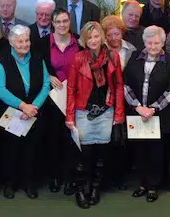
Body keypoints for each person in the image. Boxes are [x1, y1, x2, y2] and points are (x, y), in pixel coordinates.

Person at [65, 21, 124, 209]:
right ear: (84, 39)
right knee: (83, 155)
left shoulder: (113, 57)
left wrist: (119, 116)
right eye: (89, 37)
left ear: (102, 37)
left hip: (106, 110)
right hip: (84, 112)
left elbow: (119, 87)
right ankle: (82, 189)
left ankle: (96, 188)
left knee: (101, 155)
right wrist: (69, 116)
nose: (93, 40)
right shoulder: (77, 58)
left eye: (96, 36)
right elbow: (71, 88)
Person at [0, 24, 51, 199]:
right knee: (11, 150)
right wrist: (22, 106)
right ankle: (10, 183)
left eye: (26, 40)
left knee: (31, 150)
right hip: (11, 112)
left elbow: (46, 85)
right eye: (19, 41)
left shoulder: (38, 58)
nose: (24, 44)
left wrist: (33, 107)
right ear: (11, 42)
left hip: (34, 112)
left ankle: (29, 182)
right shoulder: (1, 59)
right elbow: (0, 88)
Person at [124, 25, 170, 203]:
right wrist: (138, 107)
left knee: (156, 152)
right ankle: (142, 184)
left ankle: (153, 186)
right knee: (140, 150)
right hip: (137, 114)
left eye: (157, 43)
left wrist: (153, 109)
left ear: (163, 43)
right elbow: (126, 85)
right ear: (144, 42)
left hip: (159, 115)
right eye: (149, 42)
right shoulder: (135, 57)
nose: (153, 46)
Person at [34, 8, 82, 194]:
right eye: (58, 22)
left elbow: (86, 65)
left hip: (74, 98)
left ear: (69, 22)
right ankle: (54, 176)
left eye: (65, 21)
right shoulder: (42, 43)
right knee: (52, 138)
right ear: (52, 24)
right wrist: (48, 76)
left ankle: (69, 177)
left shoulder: (79, 42)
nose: (62, 25)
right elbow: (37, 66)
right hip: (51, 99)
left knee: (71, 139)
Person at [101, 15, 135, 190]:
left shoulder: (132, 50)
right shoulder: (100, 51)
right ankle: (108, 176)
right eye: (110, 35)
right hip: (107, 100)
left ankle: (122, 176)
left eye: (117, 34)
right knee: (108, 138)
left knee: (124, 139)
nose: (114, 38)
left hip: (129, 100)